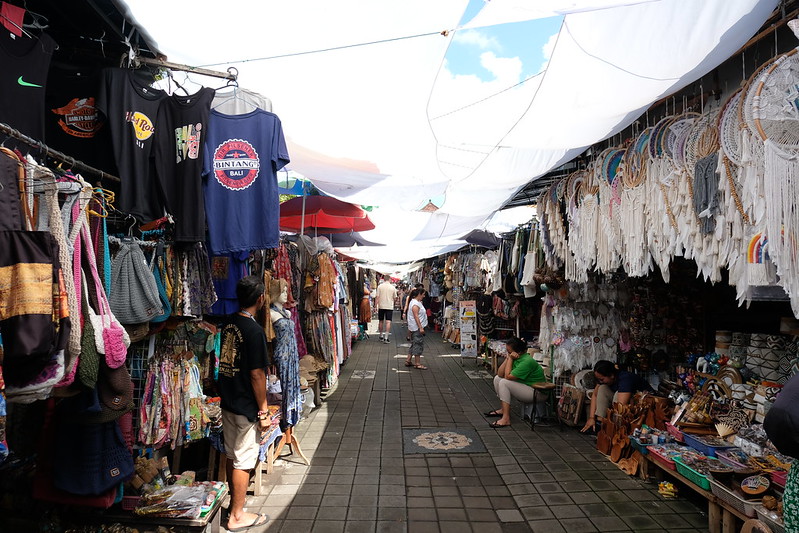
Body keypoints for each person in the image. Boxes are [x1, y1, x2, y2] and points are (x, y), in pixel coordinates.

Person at [218, 275, 270, 531]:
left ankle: (233, 506)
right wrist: (263, 409)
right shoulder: (253, 330)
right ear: (260, 299)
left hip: (228, 398)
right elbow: (256, 374)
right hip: (245, 405)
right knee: (243, 460)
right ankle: (236, 515)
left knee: (232, 454)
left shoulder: (229, 323)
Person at [484, 337, 545, 428]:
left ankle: (506, 418)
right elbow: (500, 373)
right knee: (497, 379)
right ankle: (503, 409)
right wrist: (508, 358)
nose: (508, 354)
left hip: (538, 393)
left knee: (504, 383)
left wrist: (510, 359)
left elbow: (507, 376)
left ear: (518, 352)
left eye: (509, 352)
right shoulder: (515, 357)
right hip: (527, 387)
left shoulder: (526, 361)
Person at [581, 360, 654, 433]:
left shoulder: (625, 379)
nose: (600, 382)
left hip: (644, 403)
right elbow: (595, 395)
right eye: (599, 380)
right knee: (602, 388)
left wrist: (610, 424)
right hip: (623, 400)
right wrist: (591, 418)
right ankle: (599, 425)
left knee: (617, 394)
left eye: (602, 379)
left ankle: (613, 429)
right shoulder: (603, 381)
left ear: (612, 375)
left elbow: (620, 406)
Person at [404, 288, 428, 369]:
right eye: (423, 294)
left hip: (415, 327)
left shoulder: (416, 302)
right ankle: (417, 363)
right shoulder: (415, 304)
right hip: (416, 328)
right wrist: (420, 327)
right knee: (418, 344)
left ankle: (408, 360)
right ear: (419, 294)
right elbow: (416, 316)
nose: (424, 296)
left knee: (414, 343)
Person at [375, 275, 398, 344]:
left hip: (381, 306)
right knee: (388, 322)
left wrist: (375, 306)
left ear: (384, 279)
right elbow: (395, 298)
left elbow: (377, 297)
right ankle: (386, 337)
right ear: (389, 279)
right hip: (389, 306)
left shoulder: (380, 287)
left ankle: (381, 335)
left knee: (381, 321)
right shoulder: (392, 287)